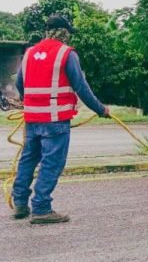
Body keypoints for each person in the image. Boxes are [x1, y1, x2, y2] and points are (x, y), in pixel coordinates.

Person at [11, 15, 109, 224]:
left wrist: (30, 101)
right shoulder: (66, 54)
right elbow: (81, 87)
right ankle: (41, 208)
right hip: (55, 119)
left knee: (28, 158)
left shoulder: (29, 53)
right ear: (63, 32)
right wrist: (100, 109)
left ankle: (20, 203)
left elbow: (20, 83)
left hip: (32, 118)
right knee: (51, 163)